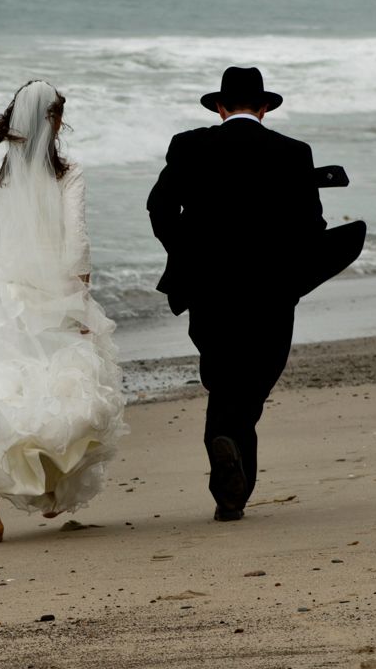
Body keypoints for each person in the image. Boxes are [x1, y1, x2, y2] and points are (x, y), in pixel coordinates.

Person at [146, 66, 363, 521]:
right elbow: (312, 227)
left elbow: (160, 207)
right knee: (257, 377)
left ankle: (229, 479)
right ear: (264, 109)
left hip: (208, 288)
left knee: (222, 376)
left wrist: (185, 250)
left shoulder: (189, 146)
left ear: (220, 107)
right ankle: (231, 479)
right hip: (271, 289)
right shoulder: (293, 153)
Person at [0, 80, 128, 542]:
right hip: (53, 292)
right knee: (60, 389)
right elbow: (75, 237)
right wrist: (79, 293)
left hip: (3, 295)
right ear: (54, 121)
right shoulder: (69, 173)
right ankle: (51, 487)